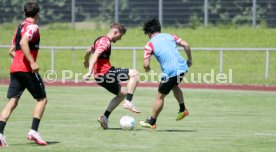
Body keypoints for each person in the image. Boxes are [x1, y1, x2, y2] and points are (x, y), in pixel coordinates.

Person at [0, 1, 48, 146]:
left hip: (15, 69)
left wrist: (20, 61)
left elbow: (11, 51)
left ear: (25, 13)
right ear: (37, 13)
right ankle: (33, 131)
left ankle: (0, 133)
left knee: (12, 101)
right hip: (27, 70)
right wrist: (31, 62)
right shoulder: (33, 27)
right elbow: (23, 43)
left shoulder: (20, 27)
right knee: (42, 99)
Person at [83, 23, 141, 129]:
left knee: (122, 93)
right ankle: (128, 102)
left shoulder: (99, 40)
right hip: (106, 74)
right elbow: (95, 55)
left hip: (100, 78)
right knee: (135, 73)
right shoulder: (105, 42)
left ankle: (105, 117)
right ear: (115, 32)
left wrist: (86, 60)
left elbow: (88, 51)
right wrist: (89, 71)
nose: (120, 38)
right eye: (120, 35)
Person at [139, 19, 192, 129]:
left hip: (170, 72)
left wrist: (147, 68)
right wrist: (189, 59)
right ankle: (182, 109)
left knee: (160, 97)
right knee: (174, 86)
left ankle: (152, 121)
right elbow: (186, 45)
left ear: (149, 33)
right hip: (183, 68)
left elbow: (145, 64)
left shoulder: (149, 44)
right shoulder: (170, 36)